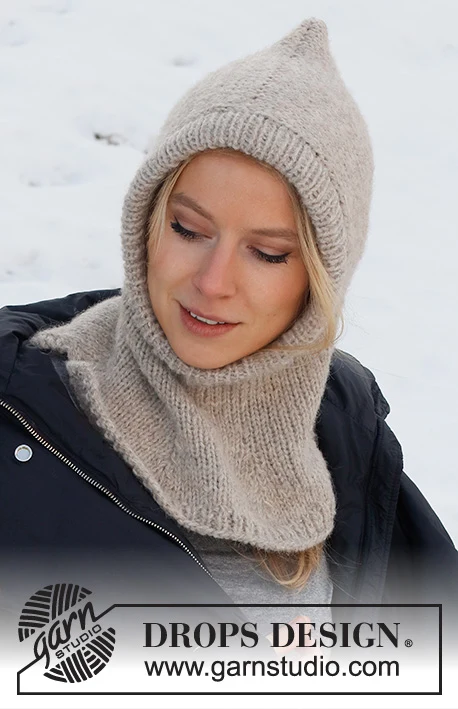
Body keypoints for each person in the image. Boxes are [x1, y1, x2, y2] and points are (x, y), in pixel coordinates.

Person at [1, 18, 456, 654]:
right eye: (188, 229)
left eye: (267, 253)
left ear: (320, 277)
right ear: (146, 223)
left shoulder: (346, 431)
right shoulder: (20, 421)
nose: (213, 282)